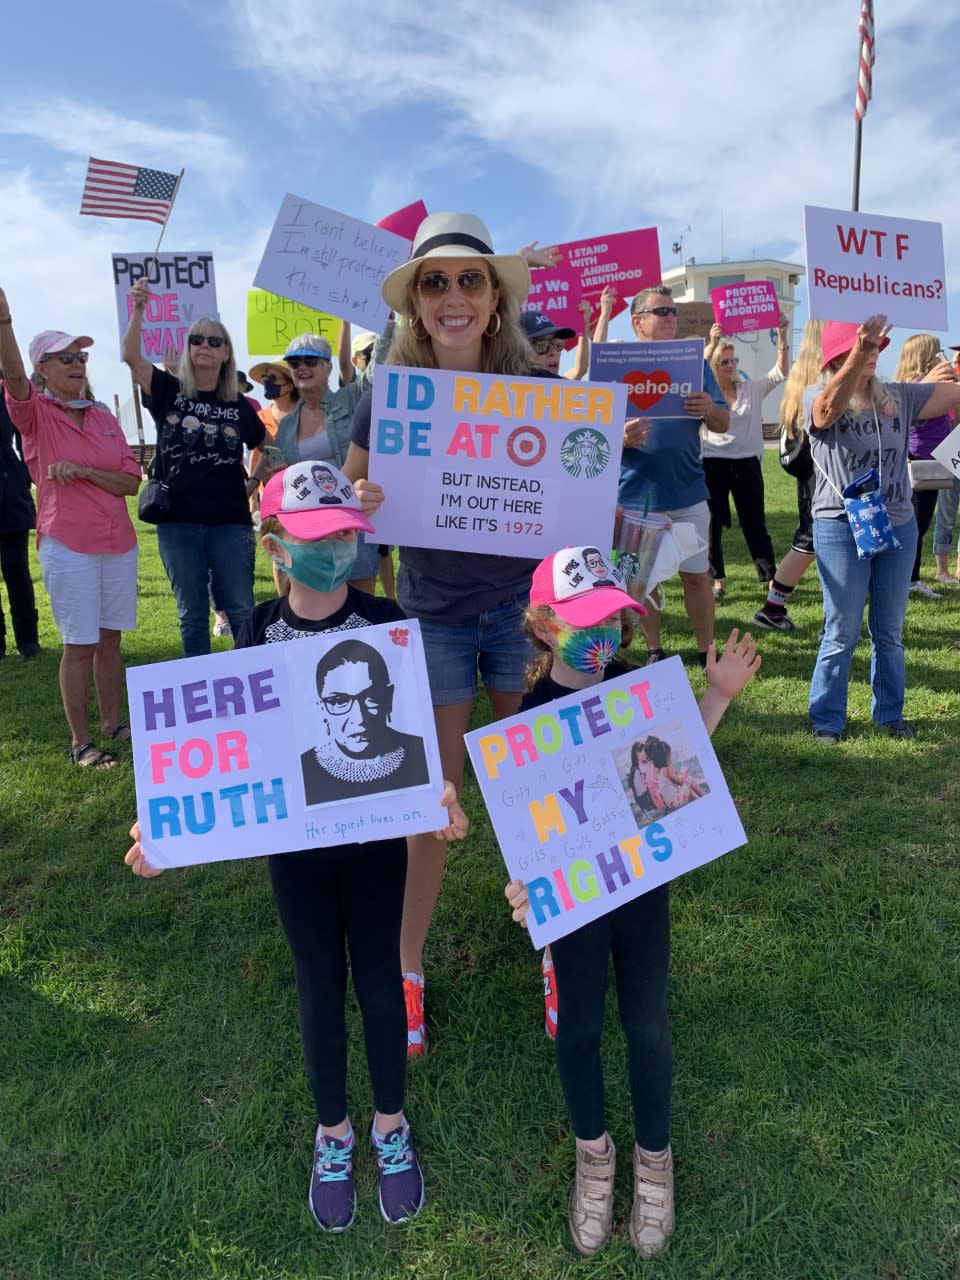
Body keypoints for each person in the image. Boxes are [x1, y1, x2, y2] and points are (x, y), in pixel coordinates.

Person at [124, 460, 468, 1233]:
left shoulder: (387, 625)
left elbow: (412, 744)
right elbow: (219, 753)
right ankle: (333, 1135)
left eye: (343, 533)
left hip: (376, 843)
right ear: (274, 544)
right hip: (297, 853)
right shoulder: (252, 632)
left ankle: (389, 1125)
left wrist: (437, 796)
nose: (331, 547)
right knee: (318, 983)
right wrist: (166, 828)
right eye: (313, 536)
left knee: (379, 980)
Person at [345, 210, 561, 1056]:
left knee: (536, 784)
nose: (452, 296)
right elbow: (347, 499)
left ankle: (557, 941)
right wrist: (355, 503)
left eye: (470, 280)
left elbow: (575, 510)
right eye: (434, 282)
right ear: (416, 305)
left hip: (524, 614)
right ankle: (406, 970)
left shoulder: (540, 397)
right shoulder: (386, 396)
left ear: (496, 299)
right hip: (431, 618)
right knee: (432, 801)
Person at [504, 547, 760, 1258]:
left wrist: (717, 698)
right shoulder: (528, 716)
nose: (602, 638)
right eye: (584, 622)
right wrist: (527, 884)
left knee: (647, 1025)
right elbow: (528, 822)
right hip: (577, 903)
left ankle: (654, 1160)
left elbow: (674, 770)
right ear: (542, 622)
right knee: (579, 1029)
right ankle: (595, 1156)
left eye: (615, 620)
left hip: (641, 889)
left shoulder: (637, 689)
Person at [0, 291, 141, 766]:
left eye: (81, 357)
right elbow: (14, 377)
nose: (78, 364)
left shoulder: (103, 416)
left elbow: (130, 480)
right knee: (79, 643)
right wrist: (4, 321)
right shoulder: (34, 412)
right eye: (66, 358)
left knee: (110, 639)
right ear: (44, 370)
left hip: (117, 542)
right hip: (68, 544)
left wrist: (84, 472)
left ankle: (113, 724)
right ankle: (81, 742)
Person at [805, 315, 960, 743]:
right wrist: (859, 349)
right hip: (840, 525)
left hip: (899, 525)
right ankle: (827, 719)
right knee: (842, 629)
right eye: (862, 347)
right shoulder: (815, 394)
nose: (873, 354)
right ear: (840, 354)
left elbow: (953, 393)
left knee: (889, 632)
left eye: (876, 347)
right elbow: (825, 413)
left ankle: (889, 715)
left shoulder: (898, 396)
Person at [124, 279, 265, 657]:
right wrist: (138, 310)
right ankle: (202, 690)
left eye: (214, 341)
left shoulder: (238, 406)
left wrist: (252, 483)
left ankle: (258, 684)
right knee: (191, 613)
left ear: (226, 354)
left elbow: (267, 446)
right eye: (197, 340)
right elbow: (131, 357)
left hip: (230, 523)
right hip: (178, 522)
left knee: (240, 608)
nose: (204, 346)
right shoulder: (169, 390)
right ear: (188, 349)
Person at [606, 285, 731, 665]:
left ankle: (705, 651)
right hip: (634, 496)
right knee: (641, 582)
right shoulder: (614, 365)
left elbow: (724, 421)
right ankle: (655, 650)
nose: (671, 318)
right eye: (661, 312)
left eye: (673, 312)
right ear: (637, 322)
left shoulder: (693, 365)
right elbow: (589, 430)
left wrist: (709, 407)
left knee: (696, 577)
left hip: (688, 493)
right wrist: (619, 436)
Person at [271, 333, 379, 592]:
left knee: (359, 606)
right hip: (307, 529)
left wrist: (383, 318)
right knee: (311, 607)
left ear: (328, 366)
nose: (302, 367)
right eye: (295, 363)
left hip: (351, 518)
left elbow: (380, 368)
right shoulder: (286, 426)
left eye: (311, 360)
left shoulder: (352, 398)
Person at [701, 314, 789, 599]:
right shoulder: (705, 393)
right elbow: (695, 370)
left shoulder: (750, 388)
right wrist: (711, 342)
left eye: (732, 360)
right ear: (714, 366)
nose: (730, 365)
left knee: (754, 521)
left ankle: (769, 578)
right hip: (712, 462)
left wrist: (783, 334)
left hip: (747, 463)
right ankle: (718, 580)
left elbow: (779, 372)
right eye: (723, 361)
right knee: (711, 523)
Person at [753, 320, 824, 632]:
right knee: (822, 545)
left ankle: (773, 608)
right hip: (825, 478)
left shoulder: (802, 374)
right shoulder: (825, 375)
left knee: (808, 544)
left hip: (812, 479)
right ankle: (833, 622)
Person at [301, 638, 429, 804]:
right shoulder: (303, 770)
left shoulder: (421, 753)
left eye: (371, 697)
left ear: (388, 698)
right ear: (322, 708)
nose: (359, 718)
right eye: (339, 701)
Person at [891, 334, 958, 599]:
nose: (940, 356)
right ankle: (908, 579)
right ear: (924, 355)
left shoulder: (925, 386)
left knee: (919, 524)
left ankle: (910, 577)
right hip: (918, 462)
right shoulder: (913, 388)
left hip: (932, 461)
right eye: (936, 351)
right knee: (915, 525)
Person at [0, 373, 40, 659]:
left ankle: (28, 640)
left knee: (16, 570)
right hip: (12, 489)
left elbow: (26, 438)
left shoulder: (9, 392)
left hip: (10, 495)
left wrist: (23, 476)